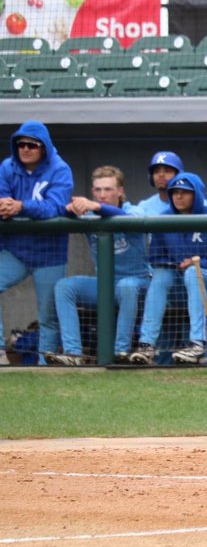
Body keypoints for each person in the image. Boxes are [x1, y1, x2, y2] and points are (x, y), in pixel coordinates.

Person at [46, 166, 150, 365]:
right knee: (65, 286)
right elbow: (59, 214)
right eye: (98, 190)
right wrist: (68, 210)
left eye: (108, 189)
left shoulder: (133, 209)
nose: (102, 195)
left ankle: (120, 351)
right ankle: (73, 353)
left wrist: (95, 207)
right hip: (105, 285)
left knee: (126, 287)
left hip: (139, 284)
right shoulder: (91, 214)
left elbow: (128, 220)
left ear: (120, 191)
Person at [128, 172, 207, 365]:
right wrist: (174, 266)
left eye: (185, 192)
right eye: (175, 192)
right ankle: (146, 344)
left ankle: (198, 344)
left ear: (196, 194)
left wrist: (198, 262)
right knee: (161, 275)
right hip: (179, 287)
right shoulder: (164, 219)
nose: (179, 197)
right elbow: (156, 259)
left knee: (193, 272)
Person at [0, 121, 73, 366]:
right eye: (21, 144)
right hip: (16, 250)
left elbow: (55, 207)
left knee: (48, 316)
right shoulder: (8, 167)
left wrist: (21, 206)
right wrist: (4, 206)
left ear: (44, 147)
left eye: (32, 144)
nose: (26, 149)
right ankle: (1, 351)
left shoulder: (60, 169)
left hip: (49, 253)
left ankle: (45, 365)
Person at [136, 151, 184, 215]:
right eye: (156, 171)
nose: (161, 175)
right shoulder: (144, 207)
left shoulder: (194, 204)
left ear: (179, 176)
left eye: (167, 171)